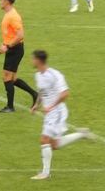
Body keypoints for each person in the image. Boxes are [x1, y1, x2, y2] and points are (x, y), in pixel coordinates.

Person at [29, 49, 90, 180]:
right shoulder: (38, 75)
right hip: (50, 113)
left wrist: (51, 106)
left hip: (57, 113)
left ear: (38, 60)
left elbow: (65, 93)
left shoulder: (55, 75)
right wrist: (36, 105)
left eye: (33, 59)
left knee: (44, 140)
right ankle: (82, 134)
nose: (31, 61)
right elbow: (41, 92)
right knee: (54, 145)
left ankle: (45, 173)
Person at [0, 0, 38, 112]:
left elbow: (20, 35)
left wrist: (7, 47)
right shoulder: (8, 14)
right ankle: (35, 94)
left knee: (6, 77)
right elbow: (10, 34)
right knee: (12, 79)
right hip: (12, 48)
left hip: (15, 49)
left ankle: (10, 107)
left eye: (1, 0)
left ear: (7, 1)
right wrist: (3, 45)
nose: (0, 2)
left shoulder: (13, 16)